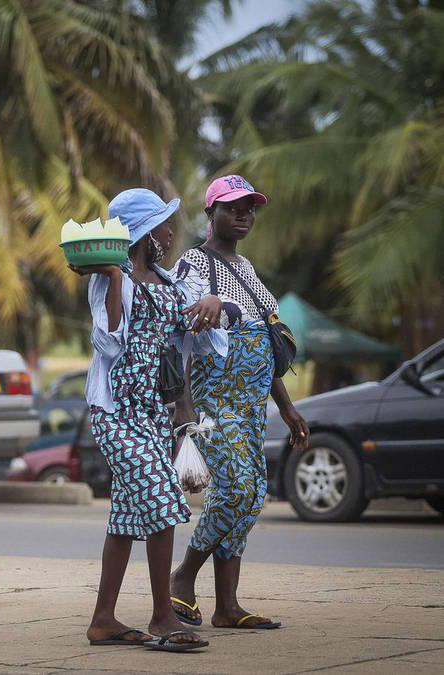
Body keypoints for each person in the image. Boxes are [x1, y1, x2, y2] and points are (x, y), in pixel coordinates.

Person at [72, 188, 225, 652]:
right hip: (116, 413)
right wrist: (115, 278)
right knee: (161, 498)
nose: (169, 231)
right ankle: (162, 615)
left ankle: (103, 620)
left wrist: (213, 305)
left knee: (124, 519)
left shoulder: (167, 280)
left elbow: (190, 338)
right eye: (161, 224)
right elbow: (110, 340)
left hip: (153, 415)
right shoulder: (108, 279)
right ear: (141, 233)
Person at [169, 174, 310, 630]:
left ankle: (227, 607)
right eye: (233, 207)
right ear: (210, 214)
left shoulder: (246, 270)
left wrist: (286, 408)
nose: (245, 214)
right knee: (235, 491)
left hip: (251, 408)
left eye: (251, 207)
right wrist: (182, 405)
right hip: (214, 405)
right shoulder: (193, 263)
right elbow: (179, 338)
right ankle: (183, 577)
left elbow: (266, 345)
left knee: (251, 502)